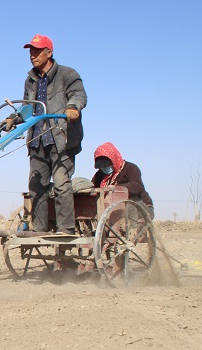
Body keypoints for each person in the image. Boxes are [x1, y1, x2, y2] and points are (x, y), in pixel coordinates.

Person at [15, 34, 87, 234]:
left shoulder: (67, 74)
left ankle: (66, 229)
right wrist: (13, 119)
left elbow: (78, 94)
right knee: (36, 186)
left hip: (61, 138)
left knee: (62, 183)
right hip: (37, 140)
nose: (32, 55)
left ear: (49, 52)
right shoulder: (30, 80)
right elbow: (27, 107)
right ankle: (39, 228)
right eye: (31, 51)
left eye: (37, 51)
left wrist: (72, 107)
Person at [91, 142, 154, 219]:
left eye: (107, 165)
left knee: (128, 204)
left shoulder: (130, 168)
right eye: (102, 167)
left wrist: (117, 188)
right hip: (114, 208)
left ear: (113, 160)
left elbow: (137, 186)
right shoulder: (100, 175)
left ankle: (132, 226)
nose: (105, 168)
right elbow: (92, 186)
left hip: (140, 206)